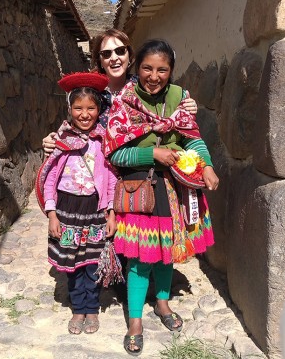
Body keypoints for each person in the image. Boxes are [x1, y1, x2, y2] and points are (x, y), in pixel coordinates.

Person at [104, 39, 219, 356]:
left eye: (162, 70)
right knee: (140, 260)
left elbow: (192, 139)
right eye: (147, 68)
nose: (154, 76)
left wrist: (206, 166)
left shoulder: (179, 98)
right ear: (136, 67)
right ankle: (136, 321)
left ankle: (164, 305)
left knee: (167, 253)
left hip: (177, 190)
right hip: (141, 191)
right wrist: (152, 153)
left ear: (171, 71)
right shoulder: (123, 103)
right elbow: (115, 155)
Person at [35, 72, 118, 335]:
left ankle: (92, 309)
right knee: (72, 264)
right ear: (70, 109)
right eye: (78, 108)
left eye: (91, 108)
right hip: (67, 211)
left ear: (99, 109)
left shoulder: (103, 141)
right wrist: (52, 214)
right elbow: (49, 179)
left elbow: (112, 179)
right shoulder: (61, 141)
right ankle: (78, 309)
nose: (84, 114)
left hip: (94, 212)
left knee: (92, 263)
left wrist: (111, 212)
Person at [41, 28, 198, 153]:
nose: (114, 57)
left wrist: (185, 104)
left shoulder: (145, 86)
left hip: (138, 172)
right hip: (101, 173)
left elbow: (169, 103)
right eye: (106, 53)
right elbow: (76, 124)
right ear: (100, 61)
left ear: (129, 55)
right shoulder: (91, 94)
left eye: (120, 51)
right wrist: (54, 138)